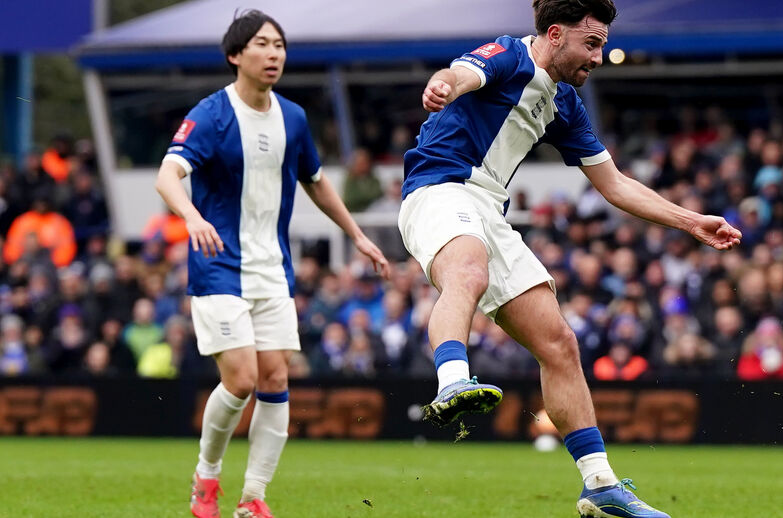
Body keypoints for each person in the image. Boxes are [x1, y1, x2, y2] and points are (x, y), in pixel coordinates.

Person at [398, 1, 741, 517]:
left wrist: (691, 221)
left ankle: (600, 485)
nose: (599, 56)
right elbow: (464, 72)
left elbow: (615, 184)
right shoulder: (510, 56)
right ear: (555, 34)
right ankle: (451, 382)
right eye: (592, 42)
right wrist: (443, 85)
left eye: (602, 43)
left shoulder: (565, 103)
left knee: (559, 343)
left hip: (489, 207)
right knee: (468, 269)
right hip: (438, 188)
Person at [154, 10, 389, 518]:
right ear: (236, 55)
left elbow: (317, 181)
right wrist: (191, 215)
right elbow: (168, 174)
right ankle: (207, 477)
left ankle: (254, 498)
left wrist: (357, 236)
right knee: (241, 380)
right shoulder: (212, 114)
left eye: (279, 45)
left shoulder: (294, 118)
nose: (274, 53)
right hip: (218, 265)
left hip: (272, 268)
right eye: (262, 44)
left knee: (277, 380)